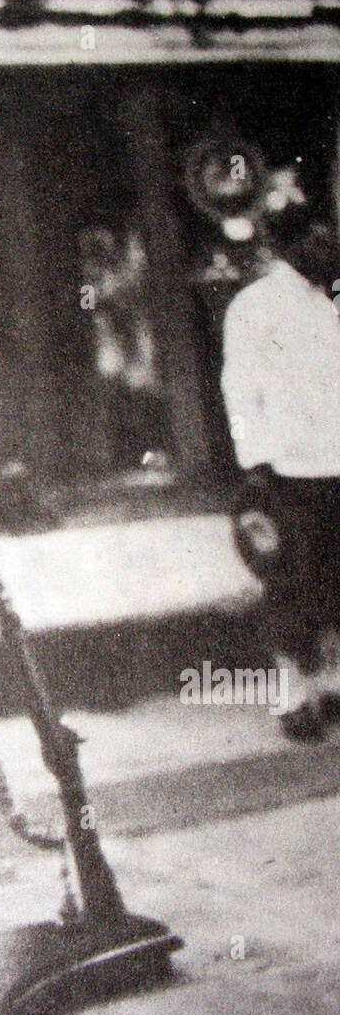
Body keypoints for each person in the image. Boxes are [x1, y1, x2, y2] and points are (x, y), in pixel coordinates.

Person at [220, 179, 340, 741]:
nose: (326, 244)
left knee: (332, 583)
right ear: (292, 242)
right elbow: (239, 390)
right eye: (315, 235)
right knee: (292, 585)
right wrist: (255, 465)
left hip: (337, 462)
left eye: (329, 234)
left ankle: (330, 686)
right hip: (288, 472)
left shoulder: (331, 301)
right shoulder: (256, 305)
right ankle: (292, 695)